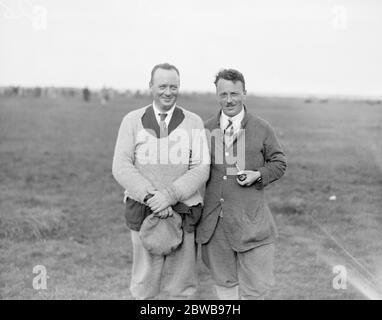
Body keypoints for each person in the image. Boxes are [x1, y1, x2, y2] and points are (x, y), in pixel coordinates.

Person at [112, 63, 210, 299]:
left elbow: (201, 167)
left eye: (173, 86)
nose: (168, 92)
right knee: (144, 283)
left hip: (184, 210)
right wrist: (151, 197)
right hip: (143, 210)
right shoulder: (132, 120)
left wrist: (169, 196)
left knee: (182, 285)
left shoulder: (193, 121)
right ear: (151, 86)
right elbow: (121, 166)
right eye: (162, 86)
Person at [196, 68, 287, 300]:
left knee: (257, 290)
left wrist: (258, 174)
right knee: (224, 284)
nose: (229, 100)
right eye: (223, 94)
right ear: (217, 95)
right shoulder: (205, 129)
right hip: (215, 225)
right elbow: (194, 171)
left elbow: (279, 163)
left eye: (234, 94)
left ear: (244, 93)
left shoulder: (262, 128)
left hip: (251, 223)